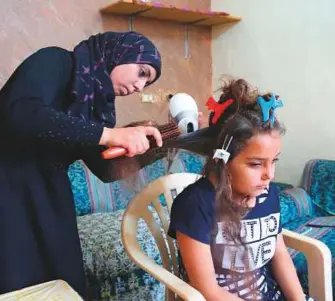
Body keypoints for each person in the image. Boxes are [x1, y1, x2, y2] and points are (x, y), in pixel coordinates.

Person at [0, 31, 163, 297]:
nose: (139, 87)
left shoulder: (96, 104)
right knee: (15, 283)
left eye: (147, 82)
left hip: (50, 197)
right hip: (8, 191)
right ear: (120, 53)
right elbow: (21, 112)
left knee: (64, 284)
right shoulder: (55, 61)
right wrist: (110, 134)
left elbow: (104, 169)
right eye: (142, 72)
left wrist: (158, 143)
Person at [168, 78, 313, 300]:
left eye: (274, 161)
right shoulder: (195, 205)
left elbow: (279, 254)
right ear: (222, 160)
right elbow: (209, 290)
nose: (270, 175)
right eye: (256, 164)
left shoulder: (268, 194)